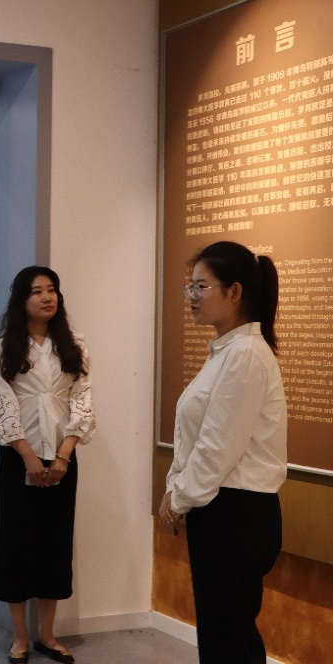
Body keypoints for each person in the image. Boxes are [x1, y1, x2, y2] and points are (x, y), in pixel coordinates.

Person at [159, 241, 286, 664]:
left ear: (234, 292)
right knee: (222, 633)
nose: (191, 296)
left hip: (235, 512)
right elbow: (200, 437)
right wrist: (177, 488)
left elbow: (218, 445)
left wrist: (179, 497)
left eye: (201, 286)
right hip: (221, 508)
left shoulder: (246, 354)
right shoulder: (229, 351)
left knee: (229, 639)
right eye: (189, 287)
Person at [0, 266, 95, 664]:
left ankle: (47, 635)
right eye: (37, 291)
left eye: (52, 290)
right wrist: (29, 456)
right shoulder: (2, 348)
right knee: (16, 544)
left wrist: (64, 453)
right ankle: (19, 636)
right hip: (18, 458)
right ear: (21, 299)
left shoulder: (74, 345)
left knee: (54, 543)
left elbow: (83, 399)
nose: (47, 297)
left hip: (63, 458)